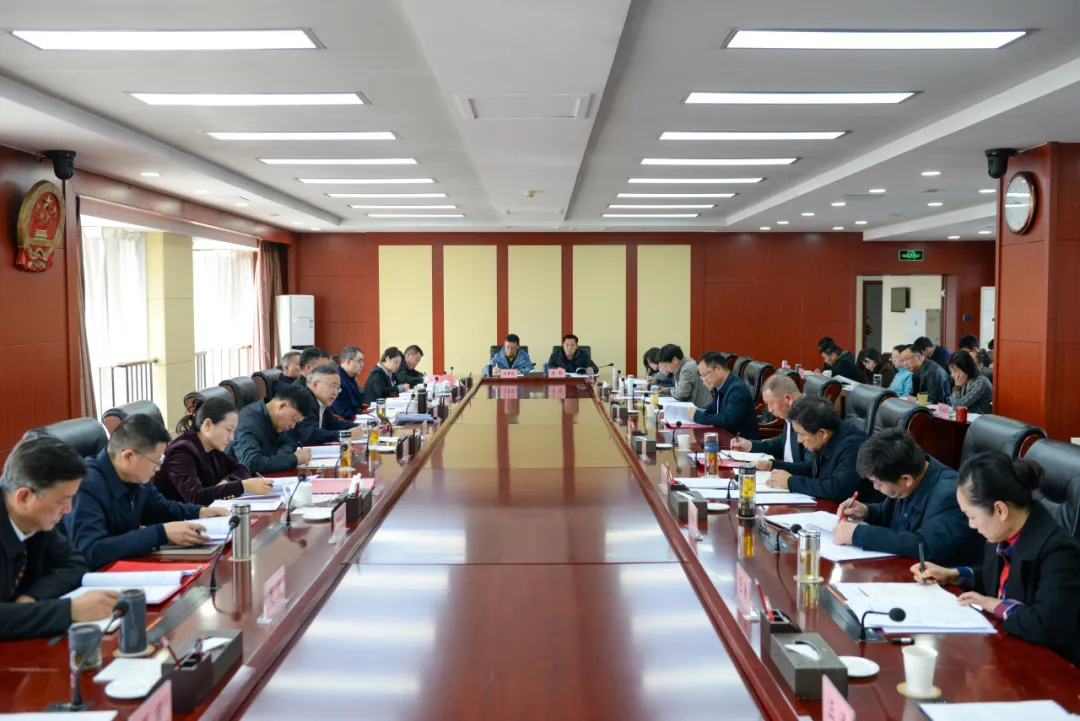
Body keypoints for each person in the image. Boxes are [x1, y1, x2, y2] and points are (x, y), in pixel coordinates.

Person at [913, 452, 1080, 666]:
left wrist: (993, 605)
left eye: (971, 516)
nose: (971, 525)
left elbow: (1047, 625)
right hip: (1006, 652)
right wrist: (953, 575)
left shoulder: (1059, 552)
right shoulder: (1003, 535)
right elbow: (999, 579)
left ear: (1000, 510)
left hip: (1047, 668)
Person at [65, 415, 230, 571]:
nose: (158, 469)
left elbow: (160, 509)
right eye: (156, 461)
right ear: (128, 456)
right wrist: (161, 533)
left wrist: (201, 512)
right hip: (91, 579)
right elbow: (91, 551)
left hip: (124, 567)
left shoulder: (135, 478)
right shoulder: (85, 485)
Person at [1, 437, 118, 641]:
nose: (68, 509)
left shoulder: (37, 520)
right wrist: (69, 611)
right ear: (24, 497)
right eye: (62, 501)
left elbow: (73, 563)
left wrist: (32, 597)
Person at [833, 429, 984, 565]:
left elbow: (925, 547)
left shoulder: (949, 496)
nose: (875, 488)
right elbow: (892, 516)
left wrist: (858, 534)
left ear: (906, 479)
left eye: (878, 483)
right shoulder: (907, 474)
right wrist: (867, 511)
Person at [154, 397, 272, 505]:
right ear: (208, 424)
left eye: (233, 431)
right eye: (228, 430)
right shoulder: (180, 451)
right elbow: (196, 497)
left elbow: (242, 469)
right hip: (177, 518)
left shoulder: (211, 447)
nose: (231, 438)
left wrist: (227, 482)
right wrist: (243, 486)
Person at [765, 395, 882, 503]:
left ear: (822, 433)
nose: (799, 440)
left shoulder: (853, 445)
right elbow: (813, 469)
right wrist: (773, 465)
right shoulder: (827, 434)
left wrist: (791, 482)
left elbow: (838, 489)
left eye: (801, 434)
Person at [227, 385, 313, 474]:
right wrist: (294, 459)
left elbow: (289, 443)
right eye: (294, 419)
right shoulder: (248, 421)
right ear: (282, 406)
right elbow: (250, 463)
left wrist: (280, 459)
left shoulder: (278, 420)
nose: (293, 426)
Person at [732, 374, 807, 468]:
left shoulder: (809, 417)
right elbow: (780, 445)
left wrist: (772, 465)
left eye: (771, 403)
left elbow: (810, 468)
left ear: (788, 398)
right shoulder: (792, 412)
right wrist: (749, 445)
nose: (770, 410)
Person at [691, 352, 760, 439]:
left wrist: (697, 416)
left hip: (740, 442)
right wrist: (698, 411)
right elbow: (713, 408)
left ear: (718, 369)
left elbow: (726, 419)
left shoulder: (737, 389)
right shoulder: (720, 385)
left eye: (705, 375)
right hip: (725, 437)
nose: (704, 382)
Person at [295, 363, 360, 446]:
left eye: (338, 388)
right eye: (332, 386)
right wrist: (346, 435)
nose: (336, 392)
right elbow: (310, 435)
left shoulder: (322, 401)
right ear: (315, 384)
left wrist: (361, 427)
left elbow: (334, 424)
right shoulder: (304, 399)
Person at [948, 350, 993, 414]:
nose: (952, 375)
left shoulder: (981, 383)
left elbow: (957, 406)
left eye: (955, 372)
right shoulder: (965, 380)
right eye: (951, 371)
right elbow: (952, 403)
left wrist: (956, 387)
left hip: (981, 419)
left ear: (966, 369)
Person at [332, 346, 366, 421]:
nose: (362, 365)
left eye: (363, 361)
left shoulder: (350, 376)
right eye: (360, 361)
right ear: (348, 362)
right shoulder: (337, 379)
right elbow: (342, 411)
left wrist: (363, 412)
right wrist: (361, 415)